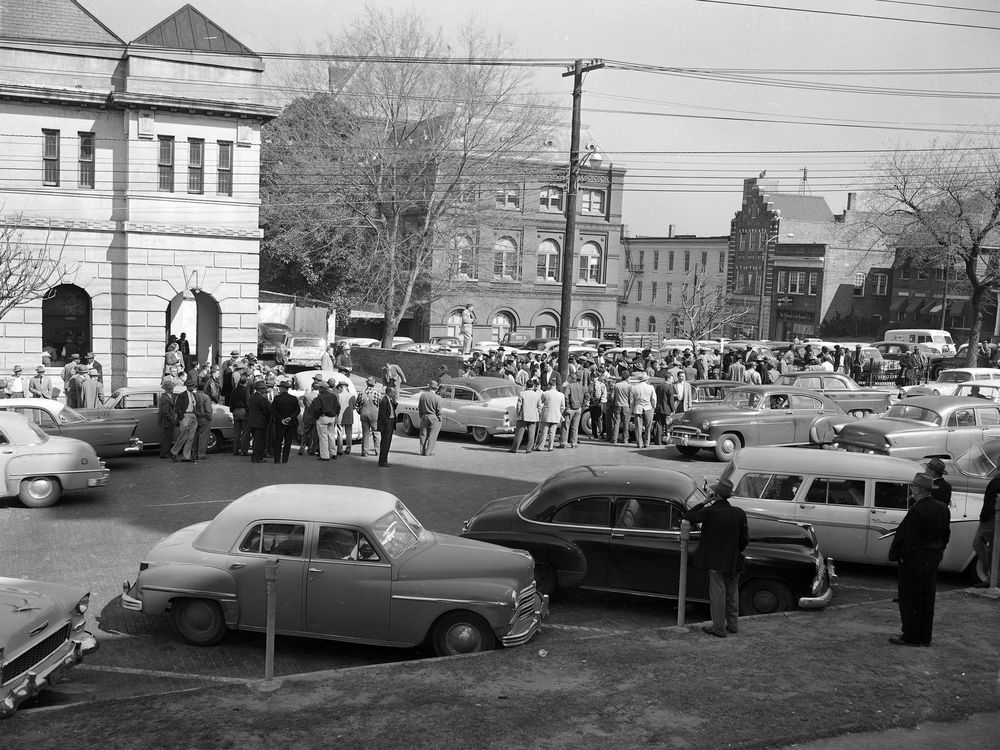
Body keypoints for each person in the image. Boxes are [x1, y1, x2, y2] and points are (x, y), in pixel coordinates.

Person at [888, 472, 951, 646]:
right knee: (927, 598)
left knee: (910, 599)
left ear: (918, 489)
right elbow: (946, 535)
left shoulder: (917, 510)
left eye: (913, 487)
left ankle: (910, 636)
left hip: (915, 560)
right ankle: (925, 636)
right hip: (933, 558)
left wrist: (901, 557)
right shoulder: (942, 508)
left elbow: (910, 540)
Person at [686, 478, 749, 638]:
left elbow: (689, 515)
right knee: (732, 592)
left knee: (717, 594)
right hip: (734, 559)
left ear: (716, 494)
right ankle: (733, 625)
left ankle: (719, 628)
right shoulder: (739, 513)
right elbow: (744, 540)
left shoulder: (710, 512)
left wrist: (705, 502)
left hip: (715, 561)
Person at [975, 474, 998, 587]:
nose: (997, 460)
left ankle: (993, 576)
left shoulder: (997, 480)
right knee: (993, 548)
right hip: (990, 516)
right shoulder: (996, 478)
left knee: (978, 543)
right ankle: (993, 577)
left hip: (991, 518)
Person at [170, 377, 199, 462]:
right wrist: (182, 416)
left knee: (190, 438)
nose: (193, 387)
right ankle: (174, 452)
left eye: (193, 386)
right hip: (186, 416)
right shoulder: (182, 395)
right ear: (187, 386)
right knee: (183, 436)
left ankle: (186, 456)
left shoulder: (194, 395)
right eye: (191, 386)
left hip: (193, 415)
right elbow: (177, 408)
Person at [270, 379, 300, 464]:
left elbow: (273, 411)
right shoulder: (294, 398)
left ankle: (277, 459)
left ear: (282, 388)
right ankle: (285, 459)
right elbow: (297, 410)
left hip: (280, 423)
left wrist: (281, 419)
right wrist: (290, 417)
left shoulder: (277, 398)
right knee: (288, 441)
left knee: (278, 441)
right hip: (291, 423)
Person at [510, 378, 541, 453]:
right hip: (533, 416)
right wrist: (538, 414)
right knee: (531, 433)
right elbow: (539, 406)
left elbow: (518, 406)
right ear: (533, 386)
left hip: (523, 415)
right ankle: (529, 449)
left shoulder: (522, 393)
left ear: (526, 386)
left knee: (519, 434)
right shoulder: (537, 395)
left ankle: (515, 448)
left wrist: (517, 414)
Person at [312, 380, 341, 461]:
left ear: (322, 388)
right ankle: (333, 453)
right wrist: (335, 415)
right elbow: (338, 407)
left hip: (323, 417)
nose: (318, 389)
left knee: (323, 437)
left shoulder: (320, 397)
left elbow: (316, 409)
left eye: (319, 388)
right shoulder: (333, 396)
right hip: (332, 417)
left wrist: (317, 417)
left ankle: (325, 455)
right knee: (331, 436)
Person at [535, 379, 565, 452]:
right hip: (556, 415)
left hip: (546, 415)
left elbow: (540, 402)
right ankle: (550, 447)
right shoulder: (561, 395)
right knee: (552, 432)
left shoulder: (545, 393)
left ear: (549, 385)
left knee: (544, 432)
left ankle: (541, 446)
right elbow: (563, 407)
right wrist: (559, 412)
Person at [629, 371, 657, 448]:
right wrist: (653, 406)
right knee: (648, 426)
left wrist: (632, 409)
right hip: (648, 407)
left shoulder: (634, 387)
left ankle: (639, 443)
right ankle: (646, 442)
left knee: (638, 427)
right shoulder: (651, 387)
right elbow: (654, 399)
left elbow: (631, 401)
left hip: (638, 408)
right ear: (646, 380)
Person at [247, 381, 272, 464]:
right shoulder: (262, 399)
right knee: (260, 441)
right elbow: (267, 411)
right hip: (260, 422)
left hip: (252, 422)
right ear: (261, 389)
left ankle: (255, 457)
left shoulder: (252, 397)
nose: (265, 390)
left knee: (255, 440)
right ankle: (258, 458)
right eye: (264, 389)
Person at [356, 377, 382, 457]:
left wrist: (360, 412)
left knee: (365, 434)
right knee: (376, 433)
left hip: (364, 415)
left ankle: (365, 452)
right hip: (374, 415)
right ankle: (378, 451)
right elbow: (380, 404)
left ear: (367, 383)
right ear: (374, 384)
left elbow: (357, 405)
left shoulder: (361, 393)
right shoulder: (377, 393)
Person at [559, 372, 585, 448]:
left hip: (570, 408)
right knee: (575, 426)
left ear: (571, 378)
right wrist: (581, 403)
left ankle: (564, 442)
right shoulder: (581, 386)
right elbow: (586, 395)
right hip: (578, 408)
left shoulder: (569, 386)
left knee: (565, 426)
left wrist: (567, 406)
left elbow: (566, 396)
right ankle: (574, 442)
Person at [417, 381, 443, 456]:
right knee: (432, 436)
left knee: (423, 434)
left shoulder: (423, 395)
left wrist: (421, 415)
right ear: (436, 389)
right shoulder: (438, 398)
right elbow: (439, 410)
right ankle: (428, 452)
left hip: (424, 416)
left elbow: (420, 407)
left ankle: (422, 451)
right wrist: (440, 419)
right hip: (434, 417)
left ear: (429, 387)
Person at [228, 372, 249, 456]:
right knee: (245, 432)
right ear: (246, 383)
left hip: (235, 411)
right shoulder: (246, 391)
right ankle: (244, 450)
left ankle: (235, 450)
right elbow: (248, 403)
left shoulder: (234, 390)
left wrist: (232, 410)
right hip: (243, 411)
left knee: (236, 432)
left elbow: (231, 402)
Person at [377, 385, 398, 467]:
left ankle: (385, 460)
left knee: (388, 443)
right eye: (393, 392)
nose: (395, 393)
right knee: (385, 444)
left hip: (390, 422)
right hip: (387, 424)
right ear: (389, 392)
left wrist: (394, 402)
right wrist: (386, 424)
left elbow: (392, 409)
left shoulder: (389, 400)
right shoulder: (384, 400)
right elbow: (382, 414)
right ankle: (382, 461)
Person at [193, 379, 214, 460]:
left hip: (195, 417)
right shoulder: (206, 397)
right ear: (204, 388)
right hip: (204, 418)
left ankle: (194, 453)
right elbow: (208, 410)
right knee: (203, 437)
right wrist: (209, 417)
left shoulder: (194, 395)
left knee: (195, 436)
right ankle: (201, 453)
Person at [156, 378, 176, 459]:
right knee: (166, 438)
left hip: (168, 420)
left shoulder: (167, 396)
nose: (173, 389)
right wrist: (172, 419)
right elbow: (165, 412)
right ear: (169, 389)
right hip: (167, 421)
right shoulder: (166, 398)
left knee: (168, 437)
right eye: (172, 388)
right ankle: (164, 453)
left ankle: (166, 452)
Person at [610, 371, 632, 444]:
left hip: (617, 405)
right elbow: (630, 398)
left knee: (616, 423)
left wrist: (613, 404)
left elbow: (612, 396)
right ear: (628, 378)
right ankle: (625, 440)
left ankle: (614, 439)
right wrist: (630, 406)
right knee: (626, 423)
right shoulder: (629, 386)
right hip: (626, 406)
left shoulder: (616, 385)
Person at [335, 381, 355, 455]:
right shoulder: (352, 395)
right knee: (349, 433)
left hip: (340, 416)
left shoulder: (339, 395)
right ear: (346, 387)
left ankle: (340, 449)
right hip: (349, 416)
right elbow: (354, 407)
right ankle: (348, 448)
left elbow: (337, 406)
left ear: (340, 387)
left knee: (340, 433)